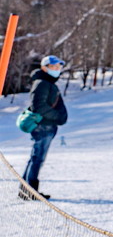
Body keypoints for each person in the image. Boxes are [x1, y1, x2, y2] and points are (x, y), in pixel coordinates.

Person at [20, 55, 69, 200]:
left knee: (36, 158)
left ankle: (26, 189)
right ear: (44, 67)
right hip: (43, 127)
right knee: (37, 158)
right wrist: (57, 116)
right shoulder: (42, 83)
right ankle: (30, 191)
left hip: (48, 126)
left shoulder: (48, 83)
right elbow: (38, 106)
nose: (57, 70)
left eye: (58, 67)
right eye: (53, 67)